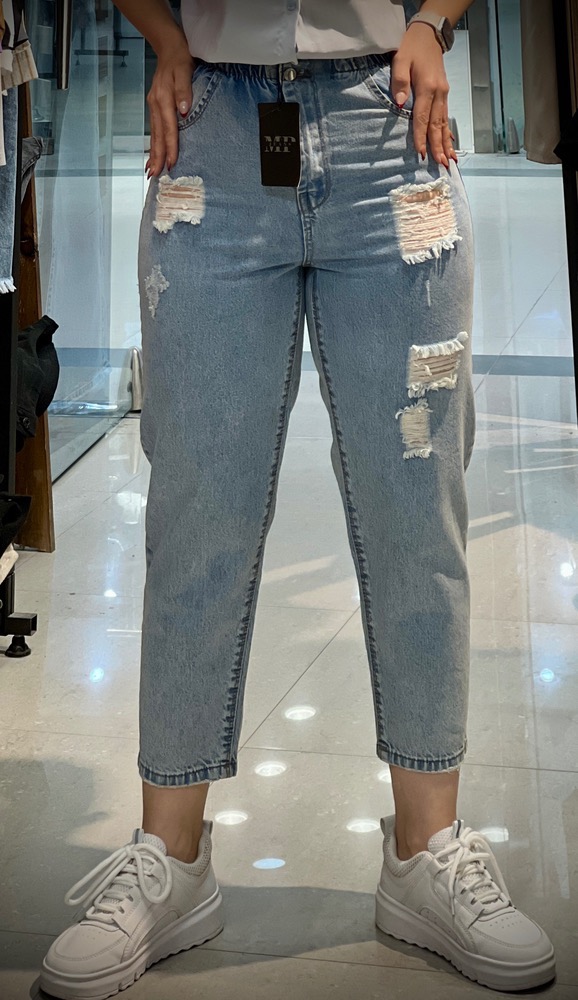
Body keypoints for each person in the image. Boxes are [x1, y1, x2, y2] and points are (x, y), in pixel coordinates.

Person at [40, 2, 556, 997]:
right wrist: (163, 35)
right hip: (210, 132)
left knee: (417, 509)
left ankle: (426, 848)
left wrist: (433, 18)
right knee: (196, 509)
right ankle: (171, 857)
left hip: (392, 125)